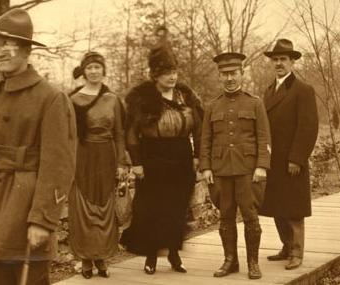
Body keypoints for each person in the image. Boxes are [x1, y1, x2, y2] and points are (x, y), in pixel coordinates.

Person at [0, 8, 77, 285]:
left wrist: (43, 219)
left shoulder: (51, 98)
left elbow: (58, 164)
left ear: (26, 51)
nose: (1, 52)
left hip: (25, 206)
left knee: (29, 279)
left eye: (10, 45)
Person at [120, 27, 203, 275]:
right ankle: (152, 258)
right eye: (166, 72)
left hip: (181, 159)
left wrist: (198, 156)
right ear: (155, 75)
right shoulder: (142, 98)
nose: (172, 77)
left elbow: (199, 129)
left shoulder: (186, 96)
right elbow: (131, 133)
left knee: (177, 208)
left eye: (174, 71)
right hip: (152, 159)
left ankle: (175, 256)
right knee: (153, 210)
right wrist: (137, 163)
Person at [199, 52, 271, 279]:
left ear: (242, 74)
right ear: (220, 76)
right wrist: (206, 168)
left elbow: (264, 138)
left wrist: (262, 166)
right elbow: (205, 141)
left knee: (250, 216)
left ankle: (253, 263)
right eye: (225, 74)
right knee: (225, 216)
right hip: (220, 170)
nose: (229, 78)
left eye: (233, 73)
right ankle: (230, 261)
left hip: (248, 170)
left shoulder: (255, 103)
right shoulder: (212, 106)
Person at [259, 39, 319, 270]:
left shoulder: (303, 90)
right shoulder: (268, 90)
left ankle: (297, 252)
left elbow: (308, 127)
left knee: (293, 208)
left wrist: (297, 158)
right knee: (277, 205)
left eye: (283, 59)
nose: (278, 64)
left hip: (292, 159)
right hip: (273, 160)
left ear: (292, 61)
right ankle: (286, 247)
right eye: (275, 60)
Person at [67, 51, 127, 279]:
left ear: (103, 70)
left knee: (105, 207)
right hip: (83, 157)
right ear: (83, 71)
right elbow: (69, 136)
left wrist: (121, 162)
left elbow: (120, 133)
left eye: (97, 67)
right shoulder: (72, 100)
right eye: (89, 68)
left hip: (106, 157)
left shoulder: (112, 99)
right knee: (84, 208)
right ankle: (85, 260)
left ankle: (101, 258)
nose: (93, 71)